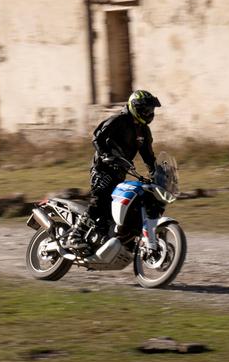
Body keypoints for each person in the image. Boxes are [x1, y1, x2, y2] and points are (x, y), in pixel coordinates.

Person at [65, 89, 161, 251]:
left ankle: (104, 241)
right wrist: (105, 155)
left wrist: (156, 173)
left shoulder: (144, 131)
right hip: (102, 168)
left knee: (118, 207)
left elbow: (148, 156)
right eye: (146, 109)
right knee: (100, 199)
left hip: (119, 172)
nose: (149, 113)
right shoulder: (119, 120)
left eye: (151, 110)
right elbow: (97, 137)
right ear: (135, 107)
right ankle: (75, 235)